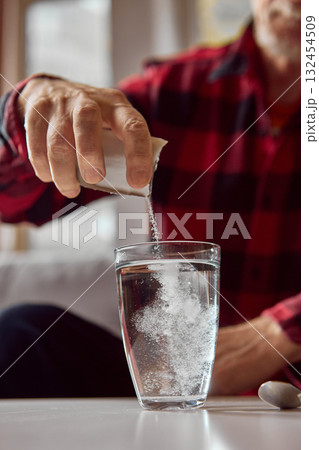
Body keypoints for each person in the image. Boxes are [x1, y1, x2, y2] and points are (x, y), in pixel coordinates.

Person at [0, 0, 301, 397]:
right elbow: (17, 202)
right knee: (22, 333)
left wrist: (286, 329)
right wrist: (26, 112)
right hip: (169, 382)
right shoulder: (173, 90)